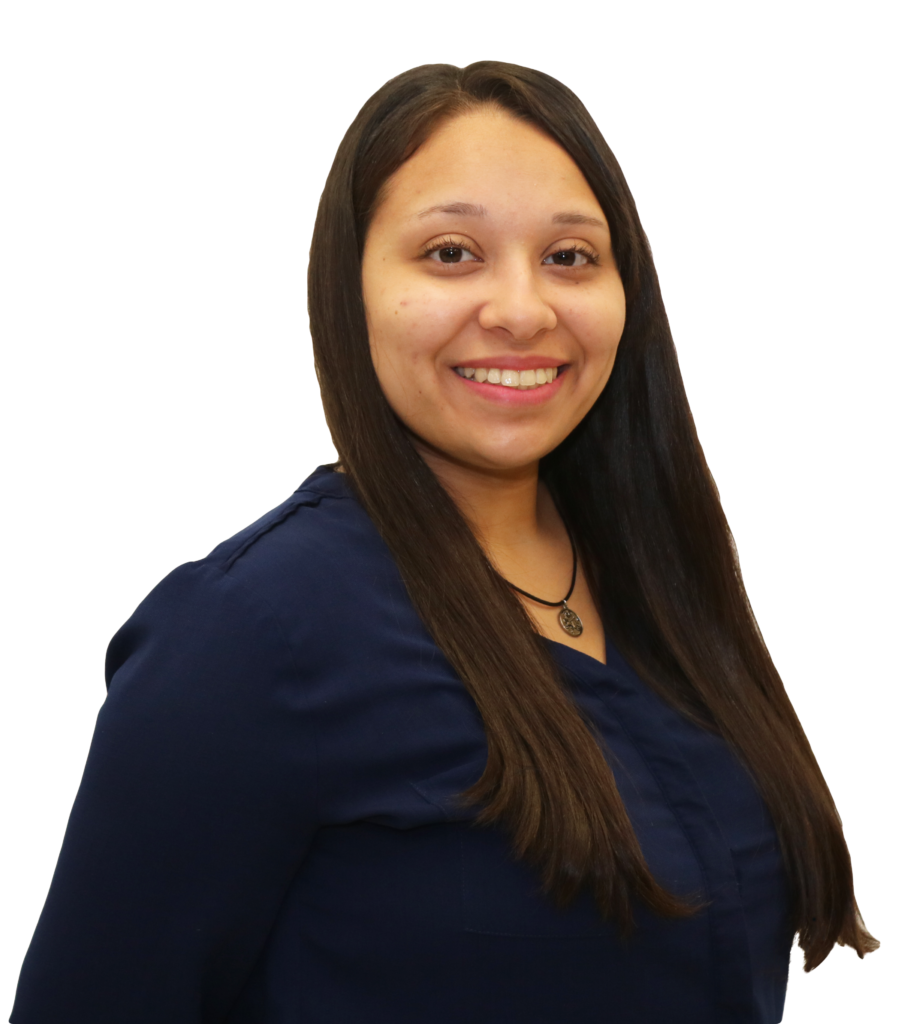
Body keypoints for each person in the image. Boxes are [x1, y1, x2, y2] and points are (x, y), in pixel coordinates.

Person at [10, 61, 877, 1024]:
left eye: (569, 257)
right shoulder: (250, 635)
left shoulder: (655, 584)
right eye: (452, 253)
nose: (520, 308)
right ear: (352, 289)